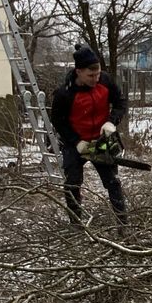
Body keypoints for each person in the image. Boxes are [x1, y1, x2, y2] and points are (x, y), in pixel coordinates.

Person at [51, 43, 128, 225]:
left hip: (101, 140)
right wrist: (76, 141)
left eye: (98, 74)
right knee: (72, 183)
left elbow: (120, 103)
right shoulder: (64, 94)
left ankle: (123, 223)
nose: (96, 78)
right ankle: (76, 224)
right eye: (91, 75)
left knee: (113, 182)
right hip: (75, 142)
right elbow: (58, 121)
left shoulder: (105, 82)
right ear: (79, 72)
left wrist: (111, 121)